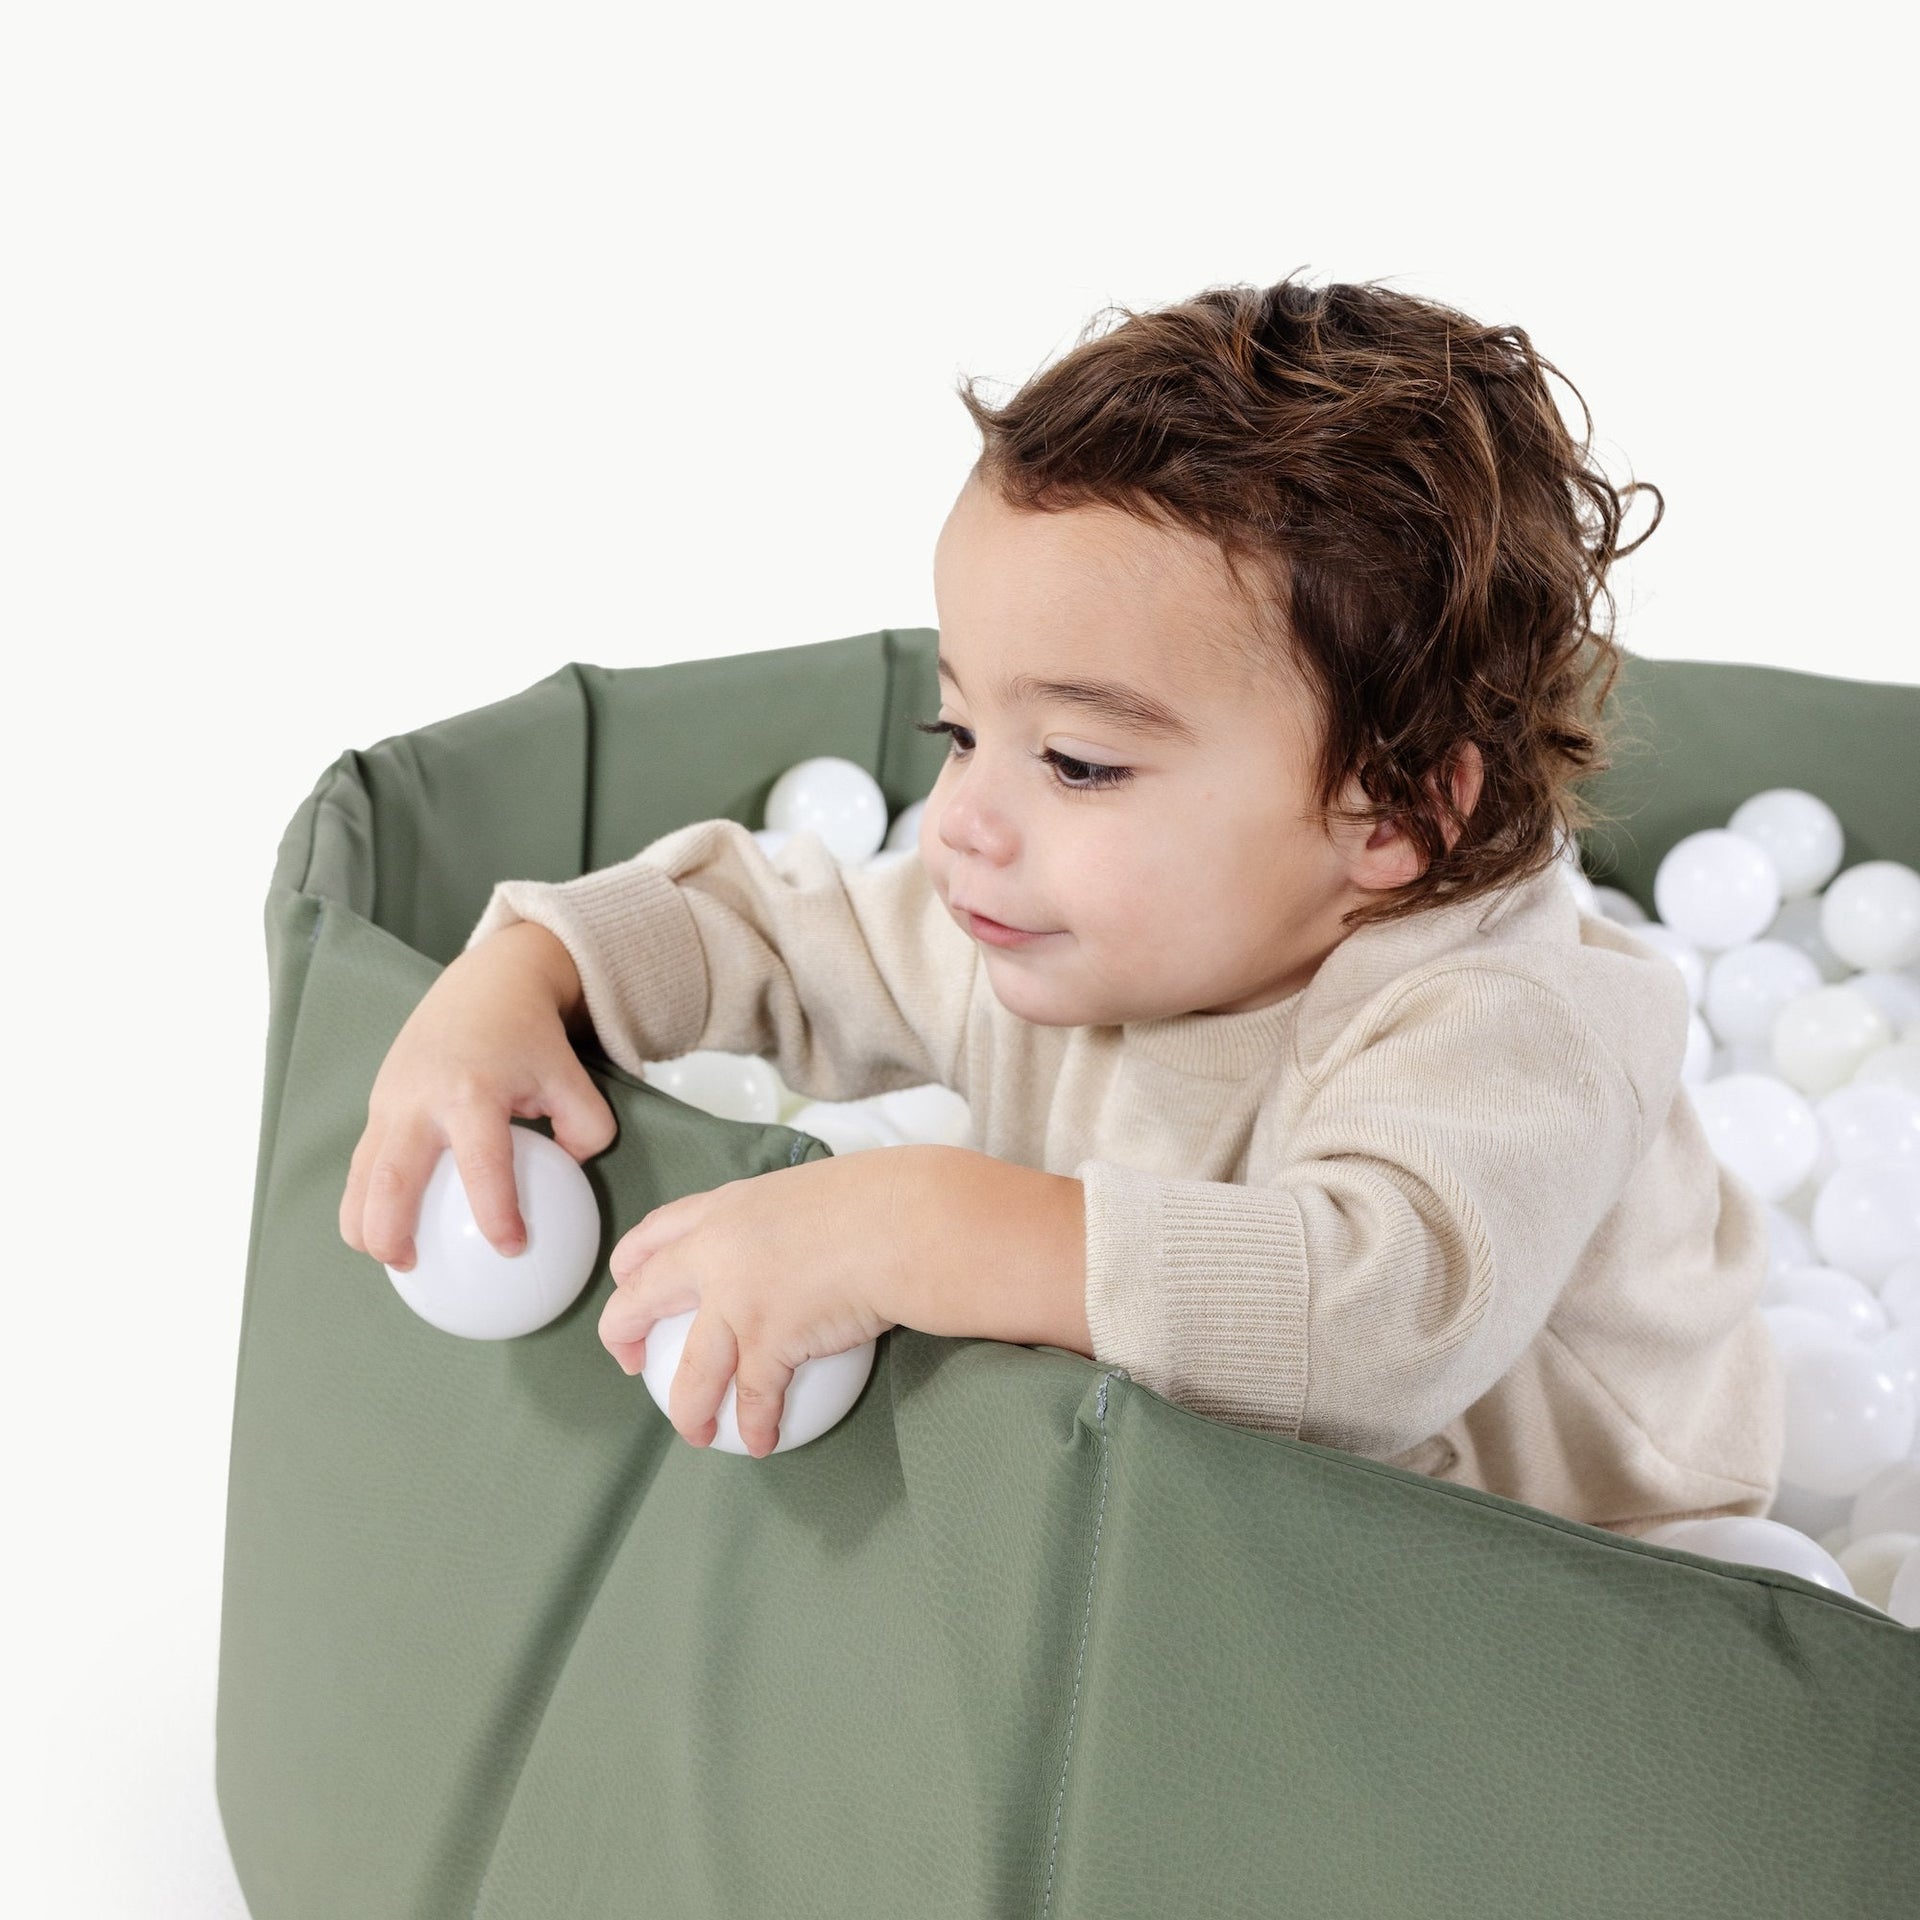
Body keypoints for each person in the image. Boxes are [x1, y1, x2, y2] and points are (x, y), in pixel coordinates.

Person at [340, 273, 1782, 1534]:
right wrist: (530, 972)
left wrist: (917, 1224)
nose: (965, 818)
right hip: (1240, 1536)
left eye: (1081, 762)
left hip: (1578, 1572)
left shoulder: (1516, 1023)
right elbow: (777, 931)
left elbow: (1375, 1310)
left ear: (1393, 816)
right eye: (961, 734)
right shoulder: (1061, 928)